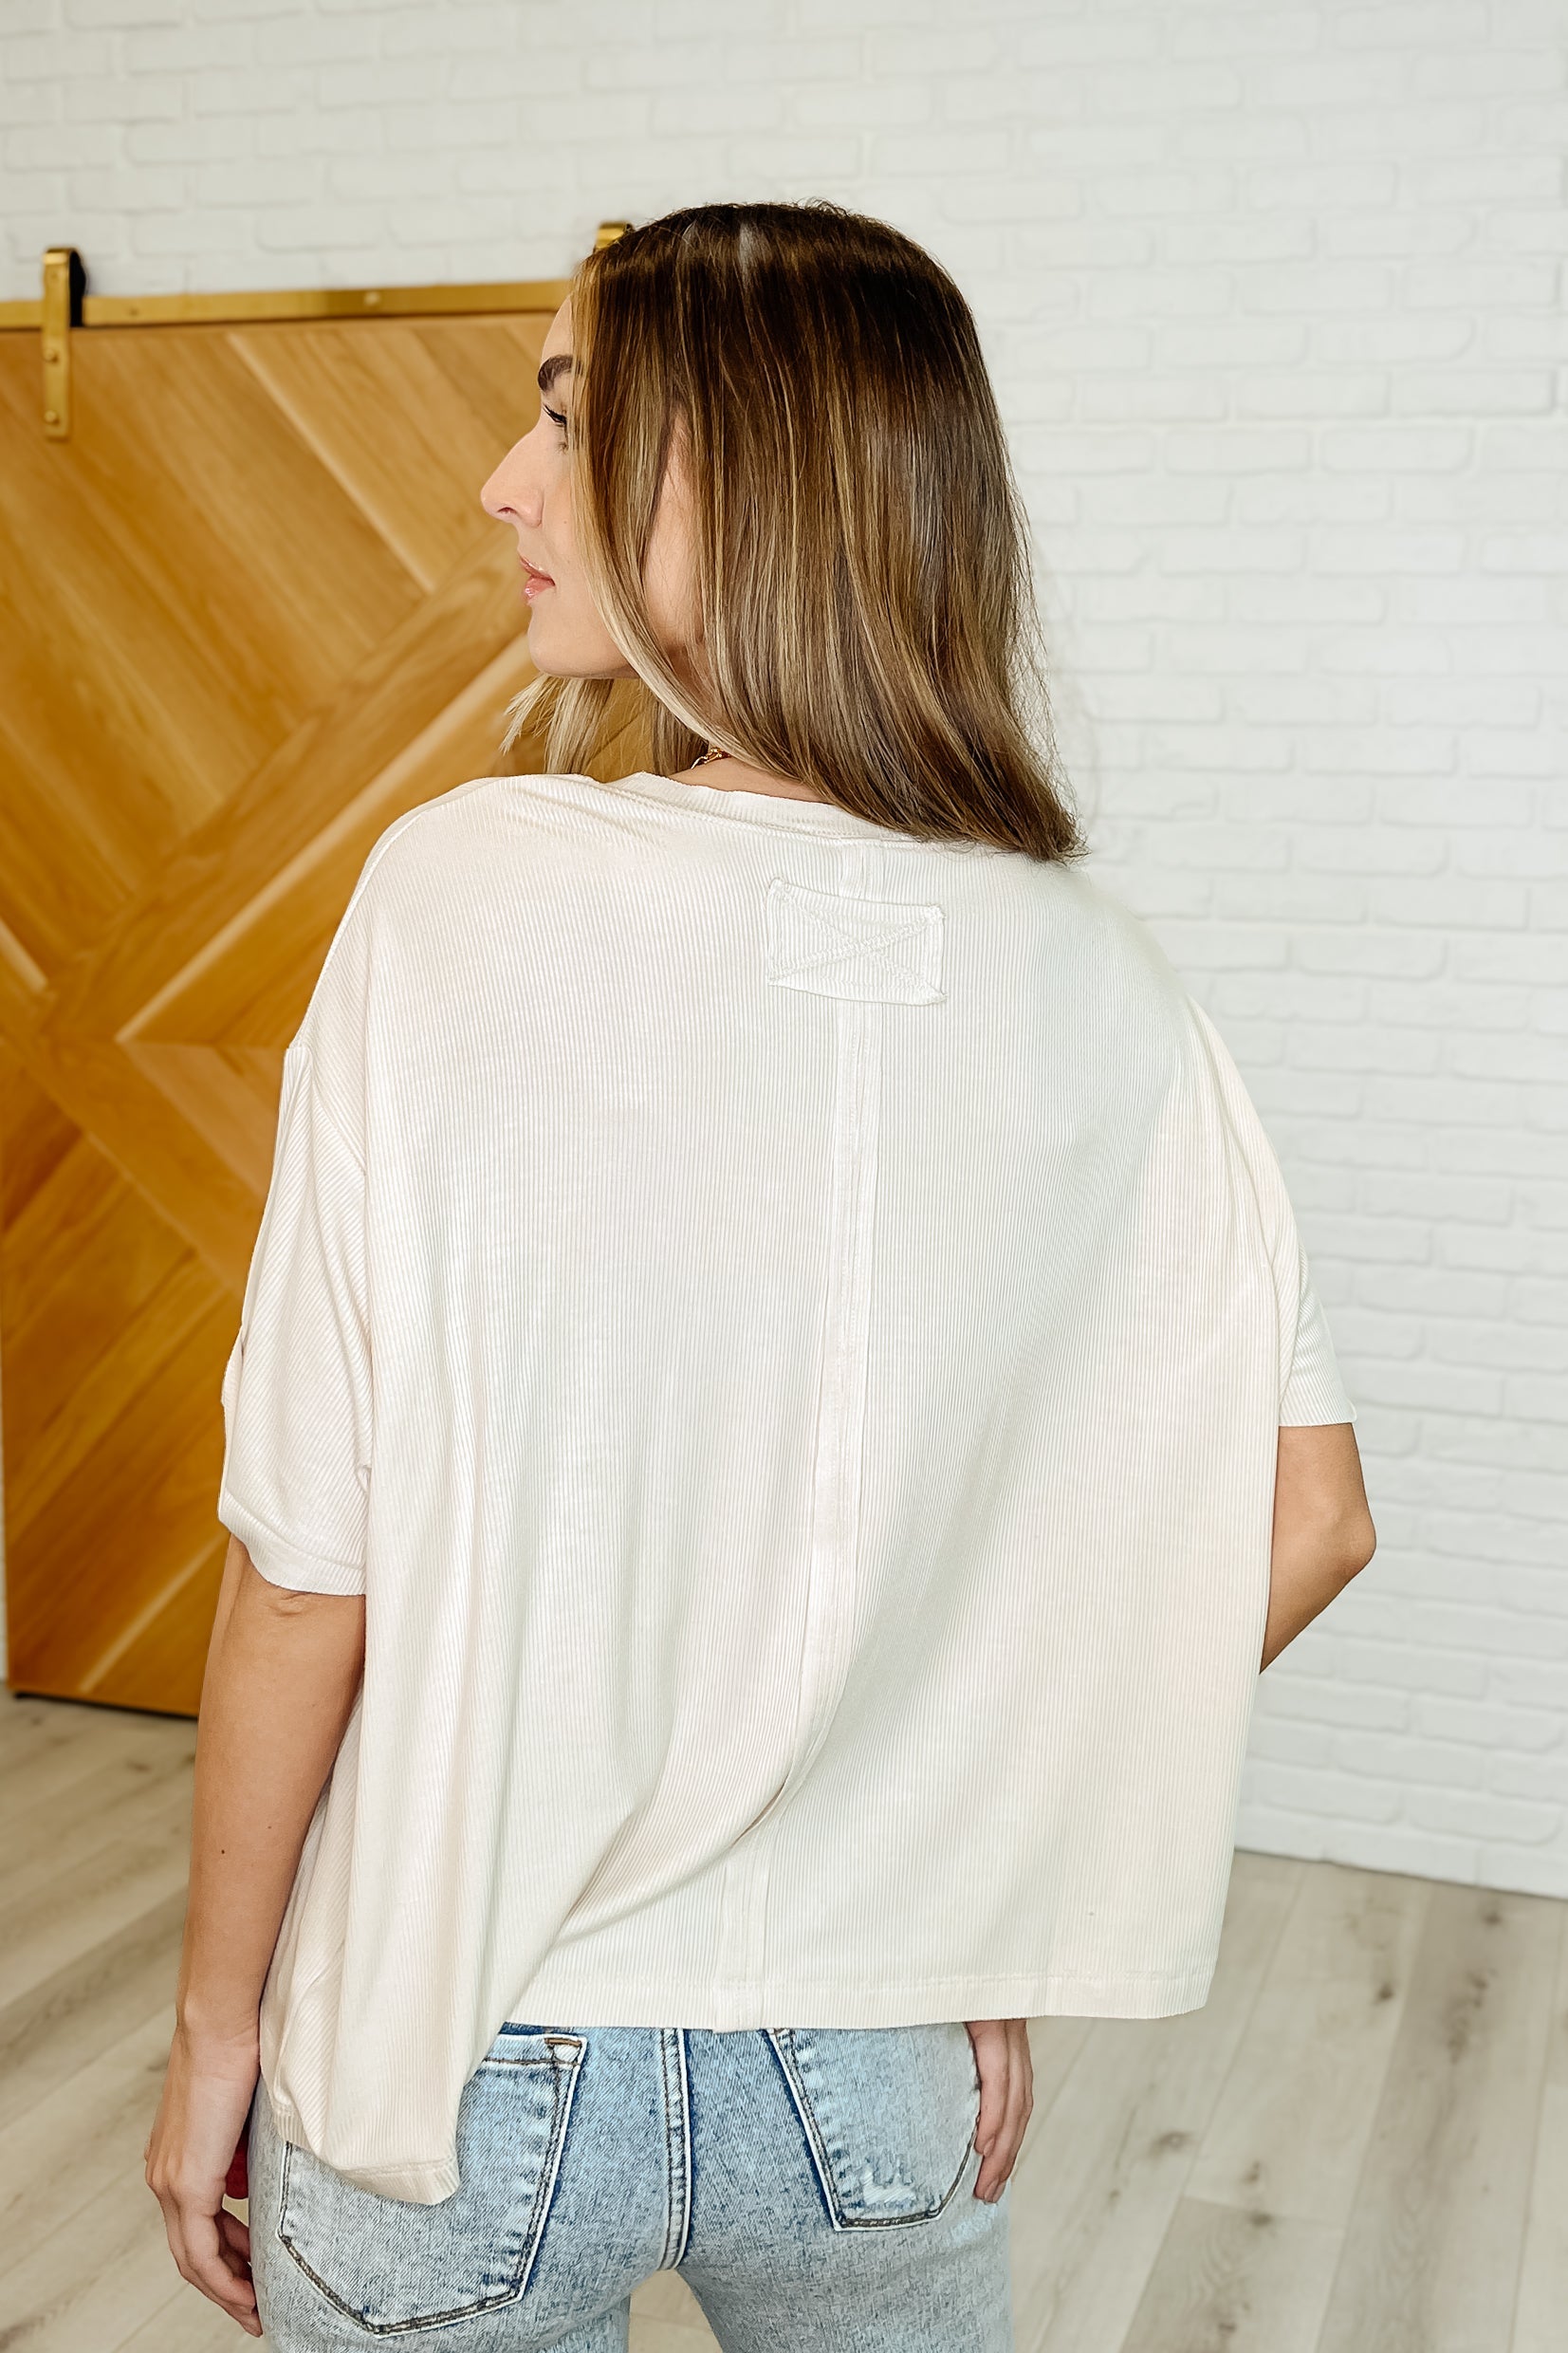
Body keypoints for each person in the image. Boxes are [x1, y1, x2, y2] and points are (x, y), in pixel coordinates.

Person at [145, 199, 1375, 2351]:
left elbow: (305, 1573)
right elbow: (1310, 1517)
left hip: (466, 2045)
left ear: (748, 478)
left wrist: (211, 2026)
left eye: (564, 418)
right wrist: (974, 1860)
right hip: (879, 2059)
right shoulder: (1102, 977)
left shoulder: (455, 899)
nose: (502, 483)